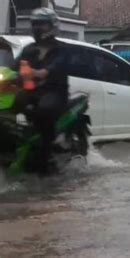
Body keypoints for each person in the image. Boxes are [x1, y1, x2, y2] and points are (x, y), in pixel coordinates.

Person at [13, 8, 69, 175]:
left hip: (54, 93)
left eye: (42, 24)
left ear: (52, 26)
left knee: (44, 109)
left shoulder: (62, 49)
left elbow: (55, 67)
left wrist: (40, 72)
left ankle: (48, 152)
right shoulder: (29, 49)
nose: (38, 28)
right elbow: (14, 68)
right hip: (31, 92)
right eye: (35, 24)